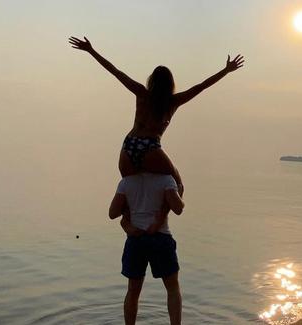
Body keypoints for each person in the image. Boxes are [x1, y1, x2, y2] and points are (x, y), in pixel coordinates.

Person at [69, 36, 245, 197]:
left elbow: (116, 72)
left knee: (129, 191)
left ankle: (130, 225)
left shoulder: (142, 93)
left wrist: (91, 51)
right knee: (178, 185)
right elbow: (202, 86)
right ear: (170, 84)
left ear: (151, 81)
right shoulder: (173, 101)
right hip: (150, 147)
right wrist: (226, 70)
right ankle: (159, 223)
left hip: (129, 145)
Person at [109, 173, 185, 325]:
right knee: (172, 289)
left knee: (133, 291)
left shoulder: (126, 182)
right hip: (160, 238)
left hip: (136, 239)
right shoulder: (166, 179)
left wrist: (126, 217)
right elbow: (178, 208)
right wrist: (180, 189)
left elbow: (112, 213)